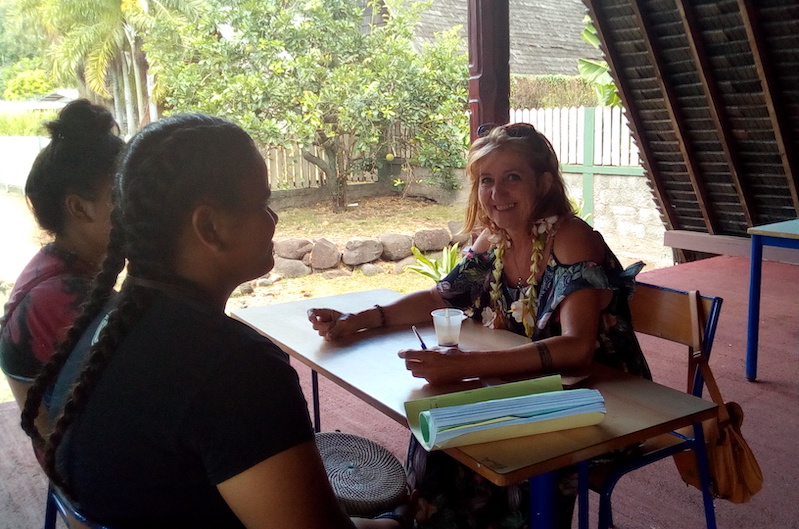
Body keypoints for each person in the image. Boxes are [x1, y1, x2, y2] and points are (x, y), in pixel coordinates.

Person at [20, 114, 405, 529]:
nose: (273, 220)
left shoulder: (105, 325)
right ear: (210, 226)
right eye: (261, 204)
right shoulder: (234, 369)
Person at [308, 122, 651, 528]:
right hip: (531, 384)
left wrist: (466, 365)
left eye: (512, 178)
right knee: (440, 425)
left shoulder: (570, 238)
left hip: (602, 400)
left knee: (498, 445)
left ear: (542, 184)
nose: (496, 193)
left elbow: (577, 348)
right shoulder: (494, 240)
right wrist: (361, 320)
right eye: (486, 180)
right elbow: (441, 297)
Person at [0, 99, 124, 412]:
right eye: (124, 195)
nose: (142, 207)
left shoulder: (57, 267)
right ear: (80, 208)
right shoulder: (63, 296)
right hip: (73, 455)